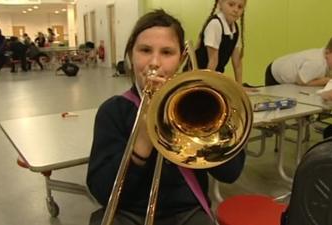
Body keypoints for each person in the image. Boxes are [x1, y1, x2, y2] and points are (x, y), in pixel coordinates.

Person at [87, 9, 245, 225]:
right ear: (131, 55)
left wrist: (203, 123)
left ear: (181, 59)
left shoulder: (200, 104)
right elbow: (102, 191)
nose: (154, 62)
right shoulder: (114, 111)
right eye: (144, 50)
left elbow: (231, 173)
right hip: (128, 212)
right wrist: (141, 143)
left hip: (187, 212)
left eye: (167, 52)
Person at [266, 35, 332, 86]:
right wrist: (324, 81)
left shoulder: (329, 59)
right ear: (327, 53)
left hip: (290, 73)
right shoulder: (316, 63)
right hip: (275, 73)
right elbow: (301, 82)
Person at [194, 0, 246, 86]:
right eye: (231, 4)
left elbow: (237, 62)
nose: (236, 10)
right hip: (199, 79)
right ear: (220, 3)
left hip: (214, 76)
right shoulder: (215, 24)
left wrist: (239, 86)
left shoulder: (235, 28)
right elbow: (213, 61)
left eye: (240, 7)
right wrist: (209, 88)